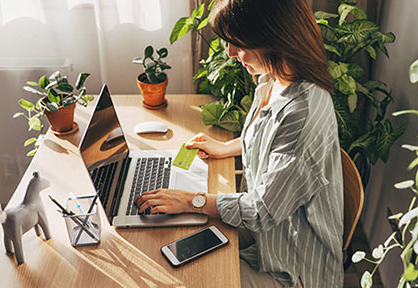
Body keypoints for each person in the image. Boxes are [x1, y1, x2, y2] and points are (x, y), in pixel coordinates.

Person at [134, 0, 343, 287]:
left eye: (238, 44)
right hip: (267, 236)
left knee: (185, 276)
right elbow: (268, 139)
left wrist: (190, 200)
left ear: (273, 39)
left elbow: (261, 211)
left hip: (291, 267)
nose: (231, 54)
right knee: (167, 239)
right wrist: (226, 147)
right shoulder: (275, 78)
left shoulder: (302, 112)